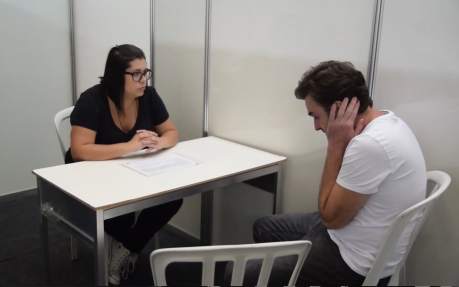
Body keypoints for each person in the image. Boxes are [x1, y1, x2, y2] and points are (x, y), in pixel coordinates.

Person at [233, 61, 426, 285]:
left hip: (352, 261)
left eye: (315, 116)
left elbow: (330, 218)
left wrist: (335, 145)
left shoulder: (370, 144)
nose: (316, 126)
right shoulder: (388, 122)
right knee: (264, 227)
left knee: (237, 272)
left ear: (336, 110)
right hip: (354, 233)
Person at [65, 44, 183, 285]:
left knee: (173, 197)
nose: (143, 80)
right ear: (117, 75)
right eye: (136, 74)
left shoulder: (148, 96)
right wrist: (132, 146)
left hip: (130, 169)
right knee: (120, 215)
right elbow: (79, 151)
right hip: (91, 170)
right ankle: (127, 245)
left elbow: (172, 132)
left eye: (145, 72)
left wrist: (157, 142)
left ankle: (125, 248)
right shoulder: (92, 100)